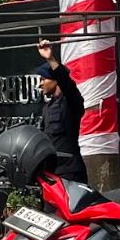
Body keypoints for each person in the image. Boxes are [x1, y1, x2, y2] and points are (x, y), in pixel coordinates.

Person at [34, 40, 87, 182]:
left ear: (55, 80)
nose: (40, 84)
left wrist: (50, 58)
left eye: (44, 79)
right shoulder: (48, 107)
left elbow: (66, 81)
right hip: (51, 173)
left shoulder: (71, 101)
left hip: (70, 172)